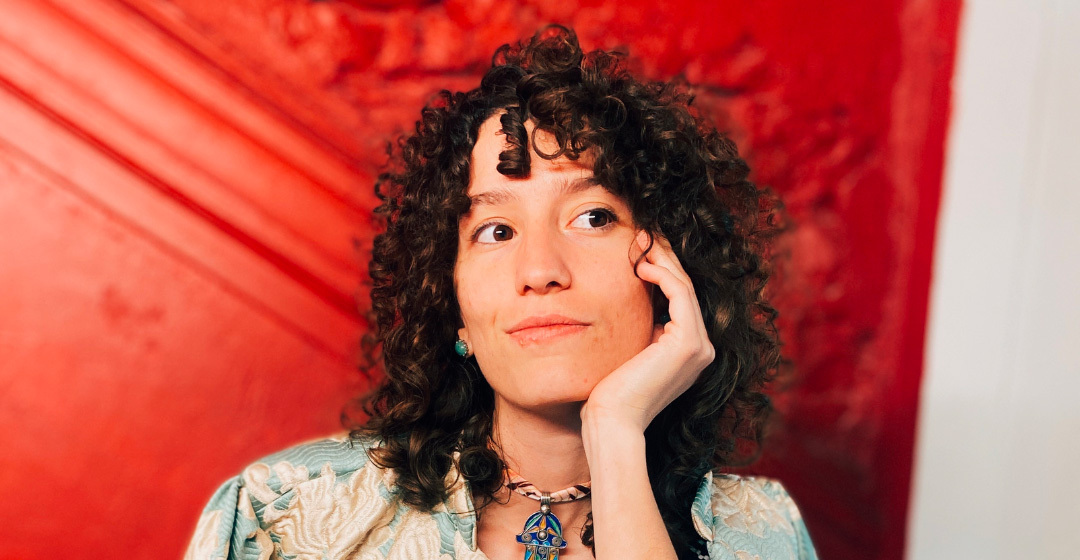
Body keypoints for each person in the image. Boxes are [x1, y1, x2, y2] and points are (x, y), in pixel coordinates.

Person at [185, 26, 817, 560]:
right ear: (453, 300)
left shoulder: (761, 534)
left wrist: (615, 433)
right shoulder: (287, 518)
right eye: (496, 230)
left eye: (593, 217)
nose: (539, 269)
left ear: (672, 271)